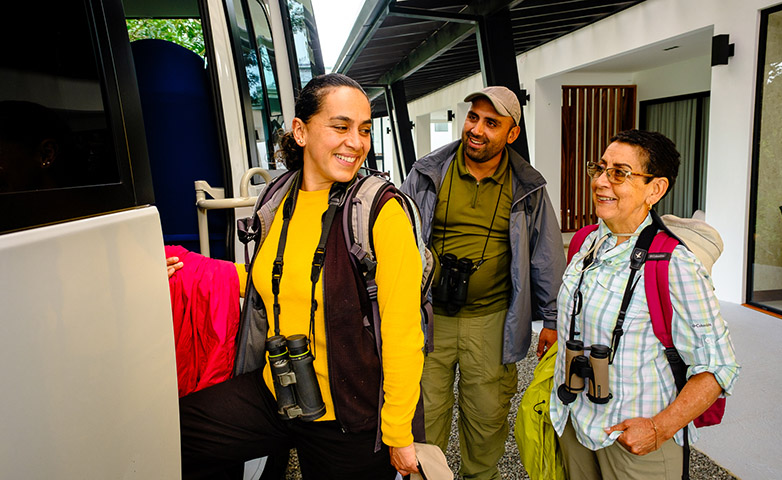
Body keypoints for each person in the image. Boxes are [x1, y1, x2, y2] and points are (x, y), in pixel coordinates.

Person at [177, 73, 424, 479]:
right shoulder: (278, 199)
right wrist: (185, 268)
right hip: (276, 392)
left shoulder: (380, 211)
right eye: (340, 126)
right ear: (301, 131)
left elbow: (403, 331)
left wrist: (398, 431)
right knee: (173, 433)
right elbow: (269, 279)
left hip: (349, 417)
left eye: (364, 130)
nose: (356, 142)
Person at [549, 130, 740, 479]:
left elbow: (718, 367)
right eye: (601, 168)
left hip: (635, 440)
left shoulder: (673, 263)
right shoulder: (587, 242)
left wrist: (657, 428)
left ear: (655, 189)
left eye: (620, 173)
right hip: (576, 423)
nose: (602, 181)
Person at [401, 86, 565, 479]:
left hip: (492, 320)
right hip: (428, 320)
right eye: (473, 117)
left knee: (487, 418)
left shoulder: (529, 186)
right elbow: (396, 238)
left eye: (491, 123)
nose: (476, 128)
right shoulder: (427, 172)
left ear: (511, 134)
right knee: (424, 416)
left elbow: (546, 254)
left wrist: (554, 320)